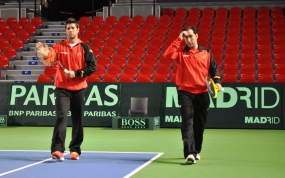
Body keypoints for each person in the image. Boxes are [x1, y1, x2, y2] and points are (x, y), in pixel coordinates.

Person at [35, 17, 96, 161]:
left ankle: (75, 150)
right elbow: (50, 60)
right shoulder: (58, 47)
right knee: (61, 117)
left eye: (73, 28)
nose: (70, 30)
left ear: (78, 30)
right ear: (66, 31)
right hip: (62, 88)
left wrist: (75, 73)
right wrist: (44, 54)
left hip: (79, 88)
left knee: (78, 120)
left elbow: (92, 67)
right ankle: (57, 149)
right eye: (68, 28)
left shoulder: (84, 47)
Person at [163, 26, 222, 164]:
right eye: (186, 37)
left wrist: (217, 82)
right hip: (185, 92)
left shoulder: (206, 52)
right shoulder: (181, 53)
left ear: (196, 36)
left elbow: (213, 69)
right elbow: (167, 55)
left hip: (202, 93)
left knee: (199, 125)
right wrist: (178, 38)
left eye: (191, 36)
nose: (189, 40)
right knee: (187, 122)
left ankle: (196, 150)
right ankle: (189, 153)